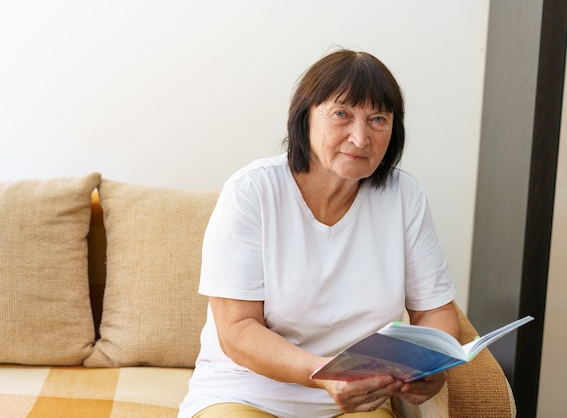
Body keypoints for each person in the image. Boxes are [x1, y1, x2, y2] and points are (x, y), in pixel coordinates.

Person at [178, 49, 459, 418]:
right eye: (342, 114)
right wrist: (324, 375)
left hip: (361, 398)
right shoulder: (252, 192)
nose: (360, 138)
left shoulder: (404, 197)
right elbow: (237, 330)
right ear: (304, 117)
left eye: (378, 119)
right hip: (244, 391)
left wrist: (435, 365)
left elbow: (435, 312)